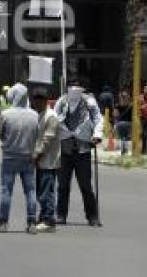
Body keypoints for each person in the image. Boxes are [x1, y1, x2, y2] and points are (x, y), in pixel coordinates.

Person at [54, 83, 103, 226]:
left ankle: (92, 216)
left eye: (77, 86)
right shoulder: (62, 101)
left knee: (86, 186)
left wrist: (97, 135)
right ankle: (61, 215)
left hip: (83, 149)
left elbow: (98, 119)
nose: (74, 89)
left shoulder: (90, 102)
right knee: (62, 185)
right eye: (72, 86)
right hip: (65, 148)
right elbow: (54, 117)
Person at [0, 83, 39, 234]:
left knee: (6, 190)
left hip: (10, 156)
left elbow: (0, 133)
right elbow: (36, 135)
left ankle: (3, 223)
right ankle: (32, 222)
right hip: (28, 156)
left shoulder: (6, 114)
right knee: (30, 191)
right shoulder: (34, 115)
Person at [31, 87, 61, 233]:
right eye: (34, 100)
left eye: (37, 100)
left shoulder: (51, 116)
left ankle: (49, 220)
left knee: (47, 191)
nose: (35, 103)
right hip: (40, 160)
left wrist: (37, 155)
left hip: (48, 160)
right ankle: (43, 216)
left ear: (44, 100)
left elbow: (47, 140)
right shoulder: (40, 114)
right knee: (40, 190)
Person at [114, 90, 133, 155]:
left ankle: (123, 151)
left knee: (122, 137)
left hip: (120, 123)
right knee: (126, 137)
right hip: (128, 123)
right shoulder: (131, 105)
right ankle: (125, 151)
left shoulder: (117, 105)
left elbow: (115, 115)